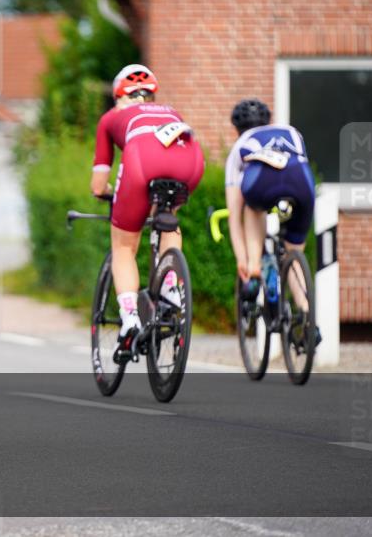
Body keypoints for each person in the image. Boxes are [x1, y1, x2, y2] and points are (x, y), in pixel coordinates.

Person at [91, 65, 205, 357]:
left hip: (143, 159)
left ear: (118, 95)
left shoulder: (112, 117)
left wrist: (107, 192)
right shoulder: (170, 111)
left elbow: (98, 181)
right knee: (168, 220)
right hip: (190, 161)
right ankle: (169, 287)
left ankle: (130, 318)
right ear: (152, 95)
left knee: (124, 246)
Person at [224, 99, 315, 307]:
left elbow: (233, 213)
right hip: (301, 180)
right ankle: (307, 317)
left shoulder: (241, 143)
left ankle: (255, 270)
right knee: (294, 250)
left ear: (237, 129)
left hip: (263, 184)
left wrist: (242, 259)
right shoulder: (291, 132)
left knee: (251, 207)